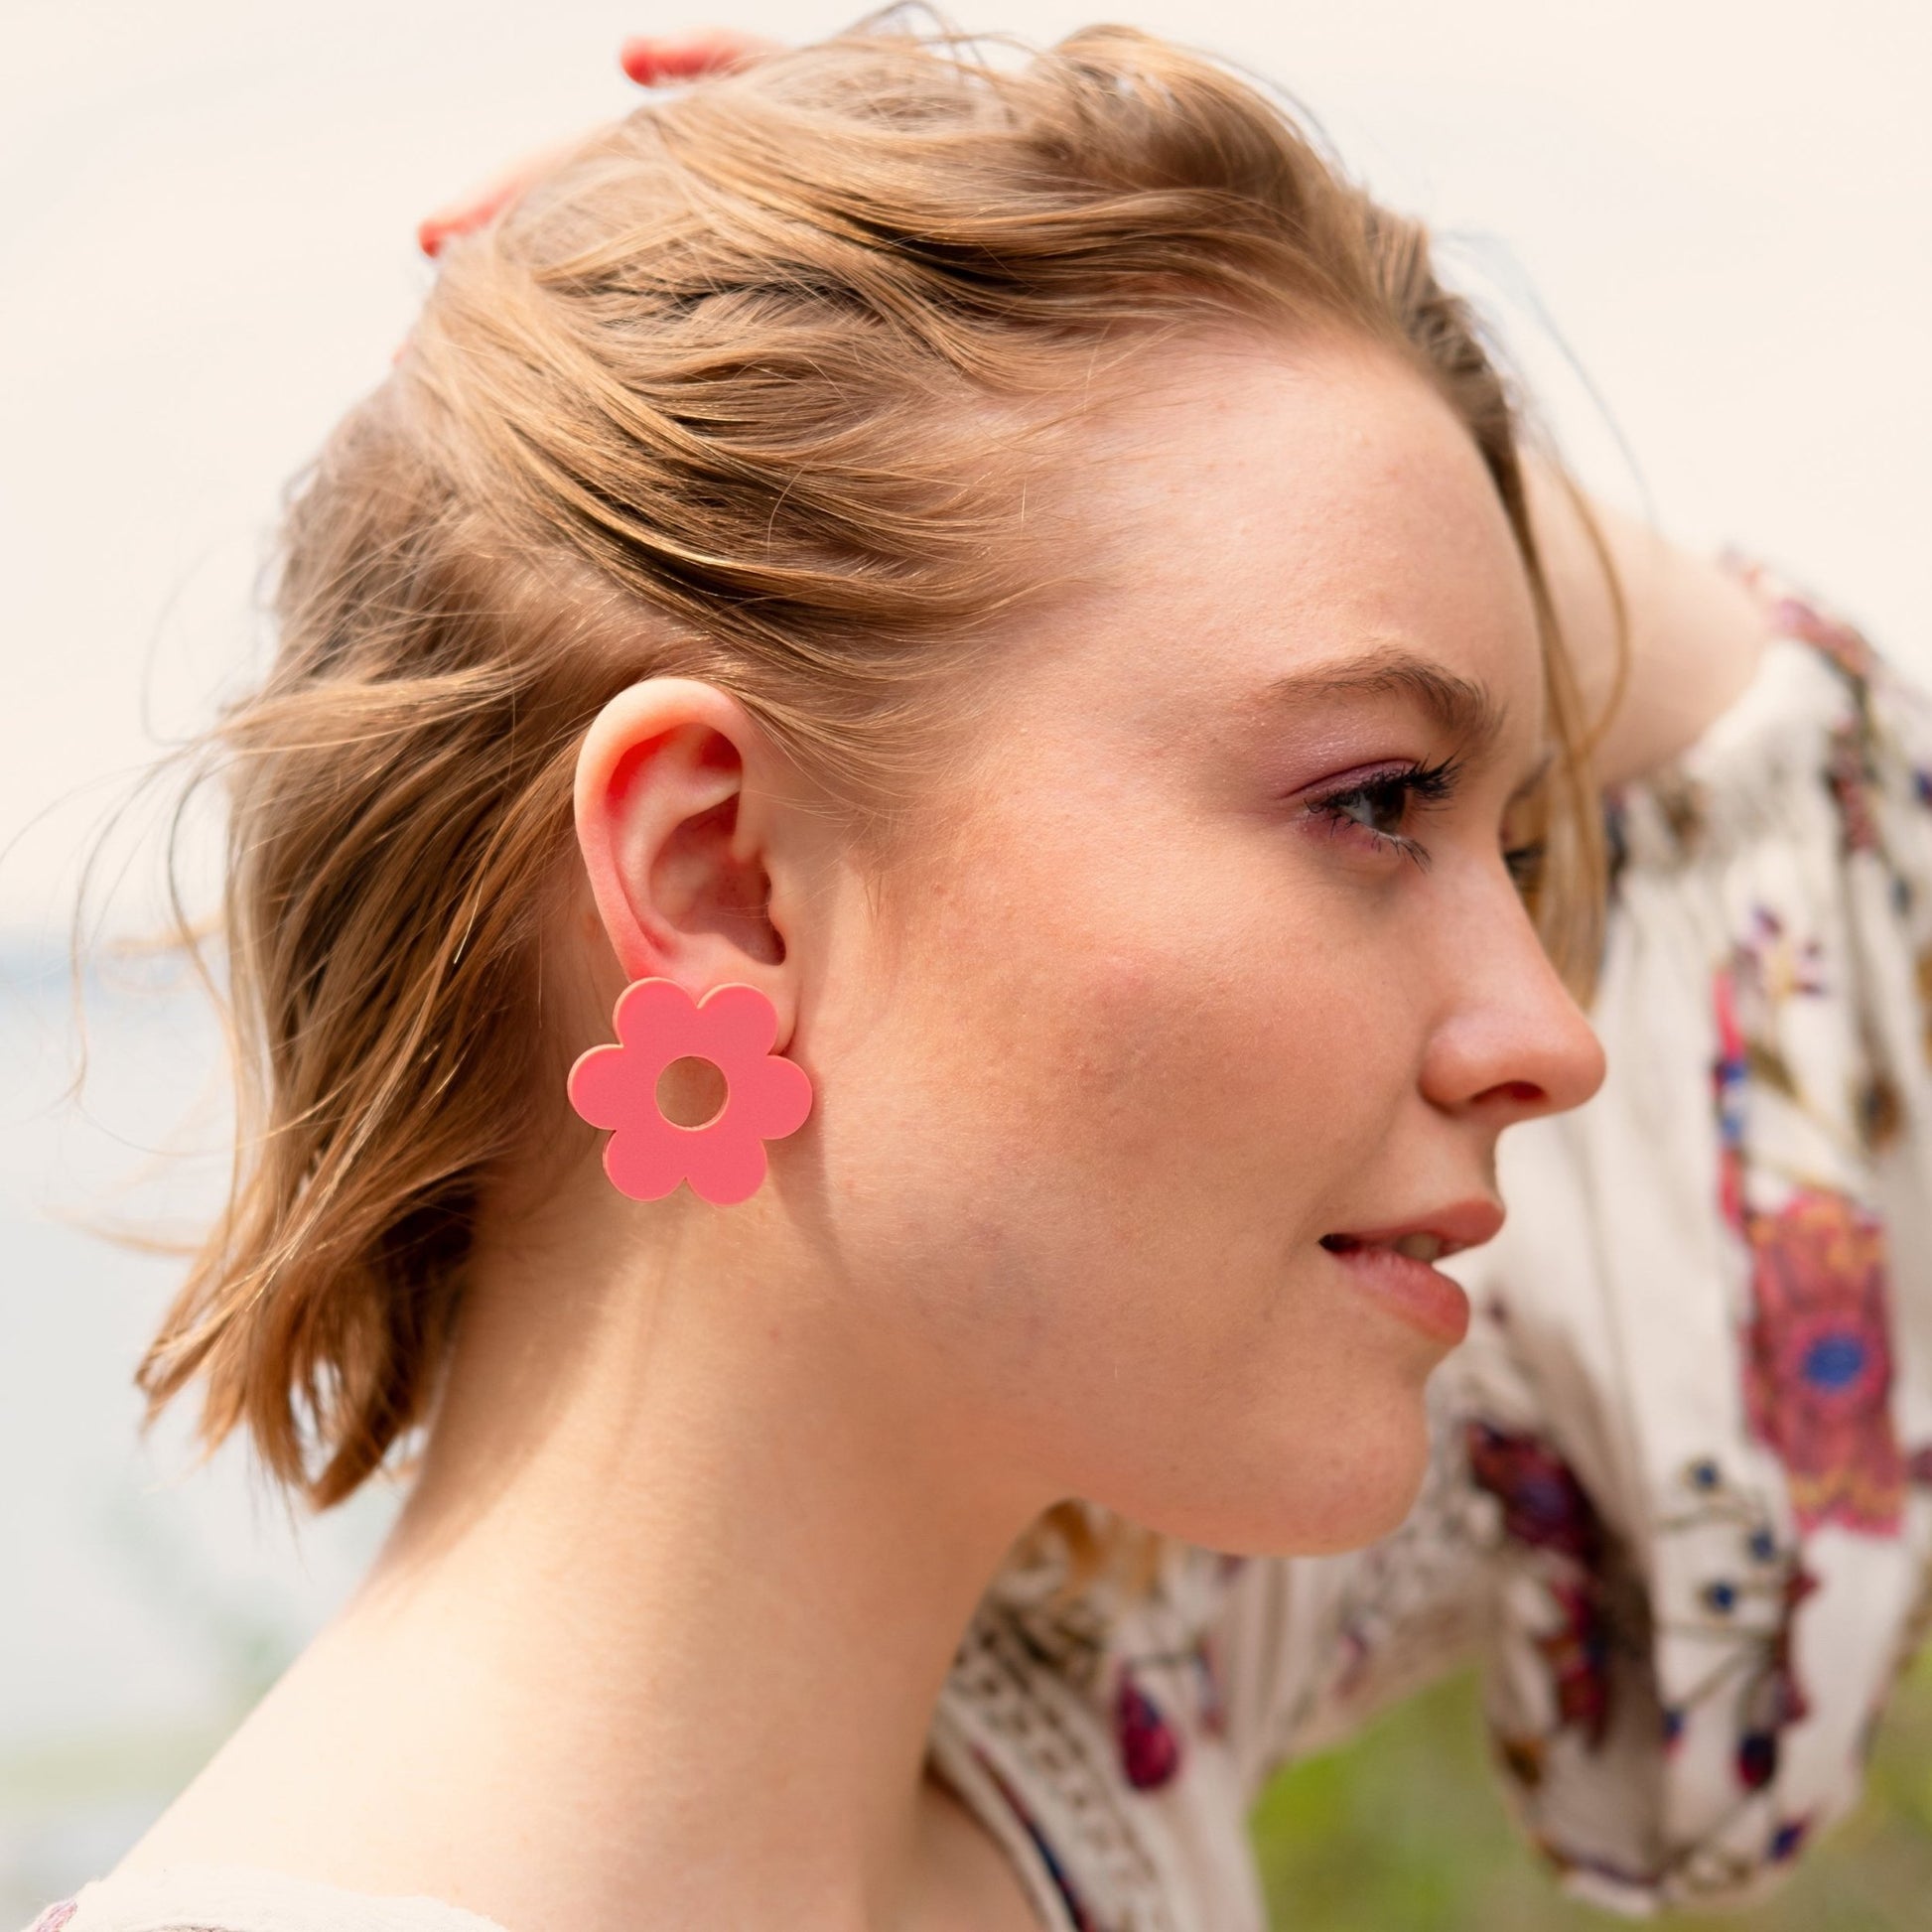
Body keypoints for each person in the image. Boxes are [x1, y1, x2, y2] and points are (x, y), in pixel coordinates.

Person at [26, 20, 1932, 1932]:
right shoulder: (1119, 1705)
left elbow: (1825, 968)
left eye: (1512, 853)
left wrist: (1273, 362)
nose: (1551, 1035)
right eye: (1373, 802)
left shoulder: (1078, 1739)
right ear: (720, 878)